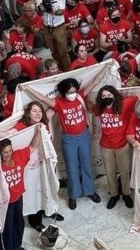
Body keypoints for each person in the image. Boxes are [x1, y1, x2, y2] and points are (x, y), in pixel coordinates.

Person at [44, 78, 101, 209]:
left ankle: (89, 191)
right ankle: (73, 195)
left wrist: (106, 66)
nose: (72, 94)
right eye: (69, 92)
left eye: (74, 91)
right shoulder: (58, 103)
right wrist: (27, 88)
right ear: (63, 93)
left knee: (86, 164)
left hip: (84, 136)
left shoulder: (80, 97)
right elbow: (43, 99)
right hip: (68, 139)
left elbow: (93, 82)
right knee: (71, 167)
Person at [94, 86, 136, 210]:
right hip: (106, 146)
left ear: (115, 95)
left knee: (124, 172)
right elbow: (89, 106)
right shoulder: (99, 108)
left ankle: (126, 193)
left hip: (122, 144)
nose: (106, 98)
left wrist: (127, 91)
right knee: (110, 173)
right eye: (103, 96)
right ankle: (114, 195)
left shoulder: (125, 104)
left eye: (109, 95)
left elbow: (137, 96)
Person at [35, 0, 69, 70]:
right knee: (53, 51)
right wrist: (41, 8)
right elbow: (39, 12)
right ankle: (59, 69)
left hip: (59, 26)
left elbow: (61, 11)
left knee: (63, 52)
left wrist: (53, 10)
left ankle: (68, 70)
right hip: (46, 27)